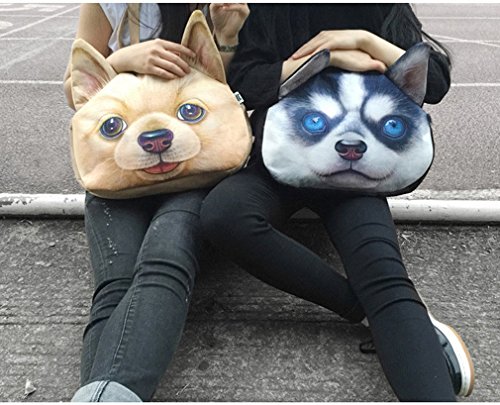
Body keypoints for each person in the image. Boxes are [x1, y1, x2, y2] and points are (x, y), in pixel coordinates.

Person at [201, 4, 474, 401]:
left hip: (359, 178)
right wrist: (328, 59)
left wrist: (362, 40)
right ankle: (369, 312)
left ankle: (392, 317)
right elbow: (244, 83)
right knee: (224, 214)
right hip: (282, 159)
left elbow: (434, 83)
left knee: (383, 275)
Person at [63, 3, 249, 402]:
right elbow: (74, 88)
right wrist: (122, 60)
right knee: (114, 285)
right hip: (118, 174)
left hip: (197, 168)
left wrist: (227, 36)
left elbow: (223, 90)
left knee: (166, 258)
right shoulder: (110, 4)